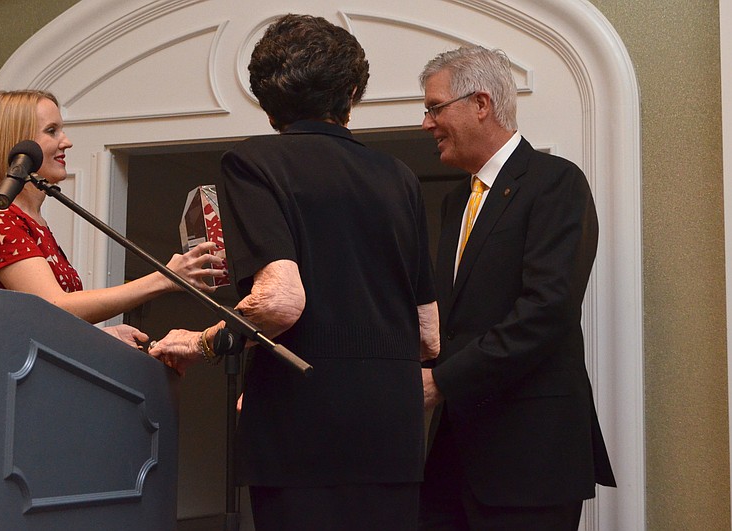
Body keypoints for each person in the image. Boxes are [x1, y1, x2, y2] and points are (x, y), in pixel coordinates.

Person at [151, 14, 439, 530]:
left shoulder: (253, 163)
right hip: (392, 432)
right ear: (350, 92)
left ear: (266, 97)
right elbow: (427, 335)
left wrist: (202, 343)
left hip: (301, 426)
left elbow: (280, 301)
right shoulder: (399, 177)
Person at [417, 45, 616, 530]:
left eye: (434, 107)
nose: (426, 123)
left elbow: (546, 312)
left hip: (531, 458)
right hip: (455, 458)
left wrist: (443, 382)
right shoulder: (453, 201)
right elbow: (452, 318)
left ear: (480, 104)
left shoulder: (555, 183)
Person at [0, 90, 224, 348]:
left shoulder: (32, 220)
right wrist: (165, 278)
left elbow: (42, 324)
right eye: (52, 131)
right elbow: (53, 307)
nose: (66, 142)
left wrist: (101, 336)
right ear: (20, 147)